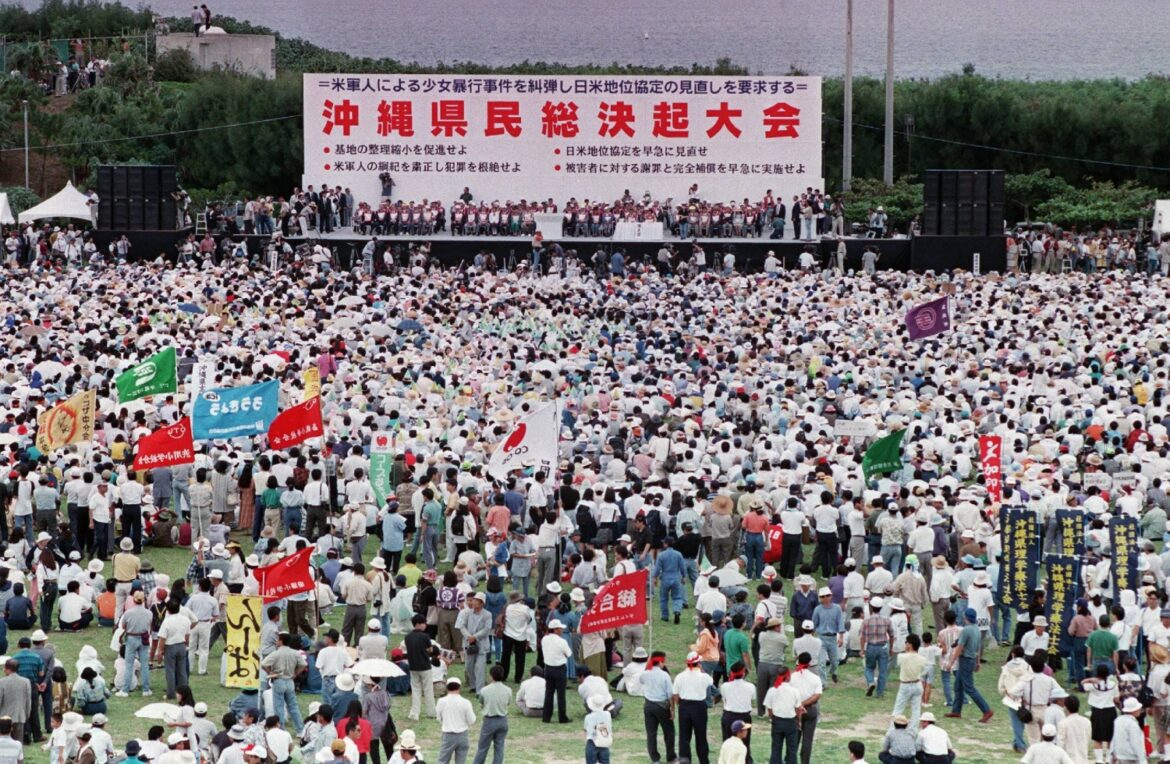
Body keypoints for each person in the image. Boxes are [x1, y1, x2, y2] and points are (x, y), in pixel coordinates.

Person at [945, 608, 992, 723]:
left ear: (966, 617)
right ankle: (956, 710)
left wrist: (951, 662)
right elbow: (978, 647)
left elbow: (959, 648)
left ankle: (986, 710)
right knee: (958, 685)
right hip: (971, 660)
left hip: (965, 660)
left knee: (969, 688)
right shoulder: (976, 629)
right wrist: (978, 662)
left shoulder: (966, 630)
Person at [260, 631, 305, 734]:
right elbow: (303, 664)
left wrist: (270, 672)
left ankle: (281, 729)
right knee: (293, 706)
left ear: (281, 641)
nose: (276, 641)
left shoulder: (276, 653)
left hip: (279, 680)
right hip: (290, 681)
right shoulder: (295, 653)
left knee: (279, 707)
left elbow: (264, 664)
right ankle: (300, 730)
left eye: (278, 639)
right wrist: (295, 674)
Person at [673, 651, 714, 764]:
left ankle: (685, 761)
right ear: (699, 663)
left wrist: (679, 704)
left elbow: (675, 694)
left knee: (684, 737)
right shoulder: (704, 676)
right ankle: (703, 761)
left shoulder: (680, 676)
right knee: (701, 736)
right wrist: (701, 670)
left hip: (684, 706)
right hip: (699, 707)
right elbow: (711, 682)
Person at [471, 664, 510, 764]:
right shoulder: (508, 690)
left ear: (491, 676)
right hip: (503, 720)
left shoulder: (484, 690)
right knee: (499, 747)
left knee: (483, 747)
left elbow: (481, 703)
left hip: (489, 720)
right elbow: (508, 703)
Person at [764, 665, 801, 764]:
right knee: (792, 749)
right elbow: (798, 708)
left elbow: (769, 708)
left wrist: (773, 718)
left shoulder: (772, 690)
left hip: (777, 721)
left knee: (776, 747)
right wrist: (799, 720)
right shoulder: (794, 691)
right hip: (791, 722)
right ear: (788, 676)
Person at [404, 615, 437, 721]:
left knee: (416, 690)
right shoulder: (425, 637)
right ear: (418, 624)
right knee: (428, 690)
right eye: (423, 623)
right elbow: (430, 650)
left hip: (413, 666)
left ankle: (414, 713)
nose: (425, 625)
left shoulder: (407, 637)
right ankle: (431, 712)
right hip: (425, 666)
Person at [435, 677, 475, 764]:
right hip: (463, 735)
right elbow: (472, 720)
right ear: (459, 688)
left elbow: (438, 718)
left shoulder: (441, 701)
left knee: (443, 761)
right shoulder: (466, 702)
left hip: (448, 735)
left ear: (447, 687)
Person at [860, 596, 893, 699]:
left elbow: (862, 636)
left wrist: (862, 649)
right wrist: (891, 648)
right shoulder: (886, 620)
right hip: (883, 647)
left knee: (869, 668)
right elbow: (892, 635)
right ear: (881, 607)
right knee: (883, 671)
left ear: (871, 606)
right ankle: (880, 693)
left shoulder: (866, 621)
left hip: (871, 646)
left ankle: (870, 682)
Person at [541, 619, 572, 724]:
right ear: (555, 629)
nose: (562, 630)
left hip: (548, 668)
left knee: (548, 693)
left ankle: (546, 717)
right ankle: (562, 717)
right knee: (561, 694)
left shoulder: (544, 639)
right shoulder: (562, 641)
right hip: (559, 668)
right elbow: (569, 654)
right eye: (560, 628)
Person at [1111, 697, 1147, 764]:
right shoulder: (1133, 724)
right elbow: (1136, 743)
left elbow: (1114, 738)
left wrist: (1111, 754)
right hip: (1130, 757)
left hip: (1119, 756)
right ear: (1134, 710)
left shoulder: (1118, 721)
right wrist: (1142, 760)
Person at [583, 693, 613, 764]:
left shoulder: (588, 717)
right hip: (604, 741)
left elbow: (585, 730)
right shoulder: (607, 715)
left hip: (592, 741)